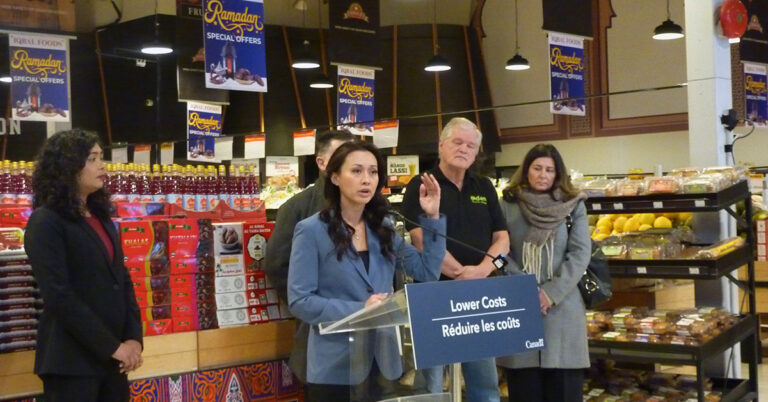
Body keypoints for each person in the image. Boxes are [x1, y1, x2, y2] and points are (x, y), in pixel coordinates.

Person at [288, 141, 446, 402]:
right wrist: (362, 310)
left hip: (383, 362)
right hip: (335, 367)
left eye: (373, 172)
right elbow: (300, 300)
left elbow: (427, 271)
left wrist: (432, 218)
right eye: (357, 171)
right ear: (335, 177)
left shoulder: (382, 227)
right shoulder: (311, 231)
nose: (367, 180)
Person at [24, 129, 143, 402]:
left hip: (114, 361)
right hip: (71, 363)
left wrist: (133, 339)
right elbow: (58, 295)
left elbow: (122, 280)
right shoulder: (46, 221)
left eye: (101, 157)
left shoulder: (101, 218)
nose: (102, 165)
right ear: (67, 167)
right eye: (92, 158)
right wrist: (112, 346)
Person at [401, 117, 508, 402]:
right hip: (434, 294)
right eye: (457, 142)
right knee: (432, 384)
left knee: (484, 380)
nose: (464, 149)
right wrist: (460, 272)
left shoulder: (484, 187)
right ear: (441, 145)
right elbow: (421, 238)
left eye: (471, 145)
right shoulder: (420, 185)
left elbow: (503, 242)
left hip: (479, 294)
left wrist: (485, 269)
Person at [496, 144, 591, 402]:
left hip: (563, 310)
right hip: (520, 309)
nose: (543, 175)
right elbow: (498, 254)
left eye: (549, 170)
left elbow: (580, 254)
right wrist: (525, 290)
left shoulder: (574, 206)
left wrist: (549, 294)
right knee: (524, 391)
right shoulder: (506, 205)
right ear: (526, 170)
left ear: (558, 173)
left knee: (564, 393)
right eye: (537, 168)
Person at [264, 130, 354, 382]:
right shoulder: (296, 208)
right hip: (319, 331)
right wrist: (306, 304)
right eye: (340, 156)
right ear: (321, 162)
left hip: (367, 336)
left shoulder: (369, 207)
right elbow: (277, 264)